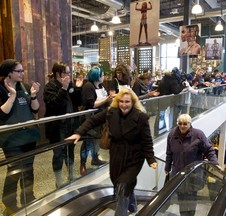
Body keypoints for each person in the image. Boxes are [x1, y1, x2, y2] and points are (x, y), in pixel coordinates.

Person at [66, 88, 157, 216]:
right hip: (116, 155)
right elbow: (93, 120)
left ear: (133, 102)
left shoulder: (141, 117)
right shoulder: (111, 112)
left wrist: (151, 159)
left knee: (122, 186)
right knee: (118, 182)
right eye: (121, 101)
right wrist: (78, 133)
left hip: (134, 157)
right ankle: (133, 206)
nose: (124, 105)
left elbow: (146, 140)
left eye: (127, 102)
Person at [0, 59, 41, 214]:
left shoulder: (24, 86)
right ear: (9, 73)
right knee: (15, 170)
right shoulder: (1, 89)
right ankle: (9, 203)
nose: (22, 73)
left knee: (28, 169)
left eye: (22, 70)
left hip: (29, 136)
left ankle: (28, 197)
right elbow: (2, 114)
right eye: (18, 71)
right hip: (11, 139)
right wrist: (12, 96)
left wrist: (34, 95)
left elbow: (35, 110)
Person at [165, 114, 218, 216]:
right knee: (182, 201)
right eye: (180, 123)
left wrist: (214, 163)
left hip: (194, 176)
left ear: (190, 124)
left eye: (185, 124)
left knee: (192, 201)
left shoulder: (198, 135)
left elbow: (209, 150)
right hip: (178, 175)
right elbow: (169, 153)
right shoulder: (172, 135)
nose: (182, 126)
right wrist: (167, 167)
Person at [43, 61, 83, 188]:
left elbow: (79, 102)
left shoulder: (70, 84)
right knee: (59, 154)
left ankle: (71, 175)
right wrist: (64, 88)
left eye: (69, 72)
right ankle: (59, 181)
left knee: (71, 150)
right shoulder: (50, 87)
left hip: (71, 124)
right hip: (57, 127)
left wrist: (77, 88)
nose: (69, 74)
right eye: (66, 72)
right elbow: (54, 104)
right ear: (58, 74)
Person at [79, 66, 112, 175]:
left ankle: (95, 158)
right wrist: (106, 99)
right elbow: (91, 104)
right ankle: (83, 163)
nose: (104, 77)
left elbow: (105, 98)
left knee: (97, 140)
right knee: (88, 142)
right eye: (102, 75)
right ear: (97, 76)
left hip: (101, 117)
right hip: (90, 117)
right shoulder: (88, 86)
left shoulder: (101, 86)